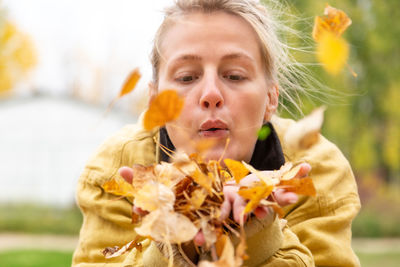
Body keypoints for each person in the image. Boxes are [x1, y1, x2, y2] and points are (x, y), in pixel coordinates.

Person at [72, 0, 361, 266]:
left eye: (234, 75)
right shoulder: (116, 171)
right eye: (187, 77)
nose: (211, 94)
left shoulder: (315, 172)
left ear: (271, 98)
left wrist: (254, 234)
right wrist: (174, 246)